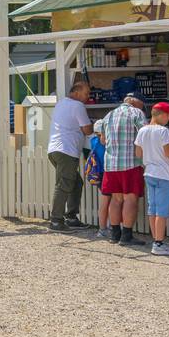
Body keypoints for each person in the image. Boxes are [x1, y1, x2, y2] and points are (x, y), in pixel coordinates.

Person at [46, 81, 94, 231]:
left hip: (55, 149)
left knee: (75, 183)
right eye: (86, 93)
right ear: (77, 92)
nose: (88, 97)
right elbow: (87, 130)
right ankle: (56, 220)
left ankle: (71, 217)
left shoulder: (61, 103)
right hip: (67, 150)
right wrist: (95, 124)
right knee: (64, 184)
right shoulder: (78, 106)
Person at [100, 93, 147, 246]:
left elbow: (102, 139)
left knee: (116, 198)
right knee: (130, 198)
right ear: (135, 102)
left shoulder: (109, 115)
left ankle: (115, 234)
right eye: (142, 105)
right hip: (130, 162)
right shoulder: (136, 113)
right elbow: (145, 136)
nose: (143, 108)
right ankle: (126, 235)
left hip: (111, 164)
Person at [134, 101, 169, 255]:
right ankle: (159, 244)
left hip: (149, 172)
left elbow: (138, 154)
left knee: (152, 209)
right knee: (162, 211)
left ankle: (156, 241)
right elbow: (168, 153)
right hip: (164, 174)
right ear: (163, 115)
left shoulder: (142, 130)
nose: (168, 120)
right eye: (168, 117)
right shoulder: (163, 131)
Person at [92, 114, 113, 239]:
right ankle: (111, 227)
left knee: (105, 201)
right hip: (108, 171)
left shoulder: (92, 141)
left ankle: (102, 228)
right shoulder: (105, 142)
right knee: (113, 201)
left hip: (99, 172)